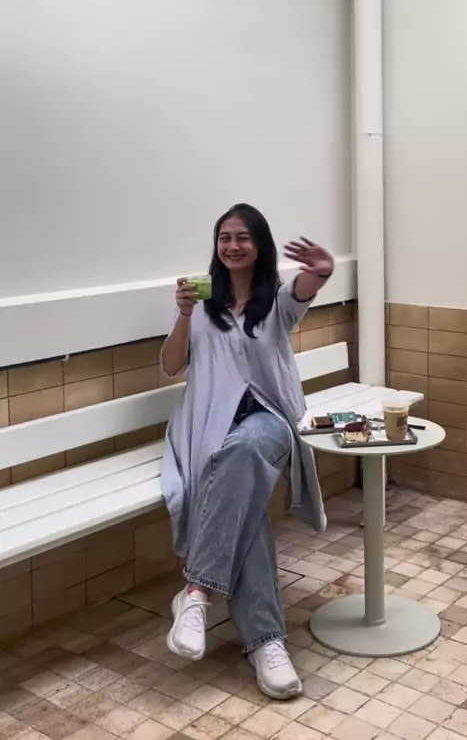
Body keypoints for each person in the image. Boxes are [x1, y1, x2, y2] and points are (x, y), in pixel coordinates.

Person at [161, 204, 334, 700]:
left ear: (259, 245)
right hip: (208, 426)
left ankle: (198, 590)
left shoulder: (276, 302)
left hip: (269, 421)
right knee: (245, 498)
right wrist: (183, 314)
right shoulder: (201, 304)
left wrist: (322, 271)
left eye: (242, 237)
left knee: (245, 453)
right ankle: (266, 642)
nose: (232, 246)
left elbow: (306, 288)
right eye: (224, 237)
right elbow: (171, 366)